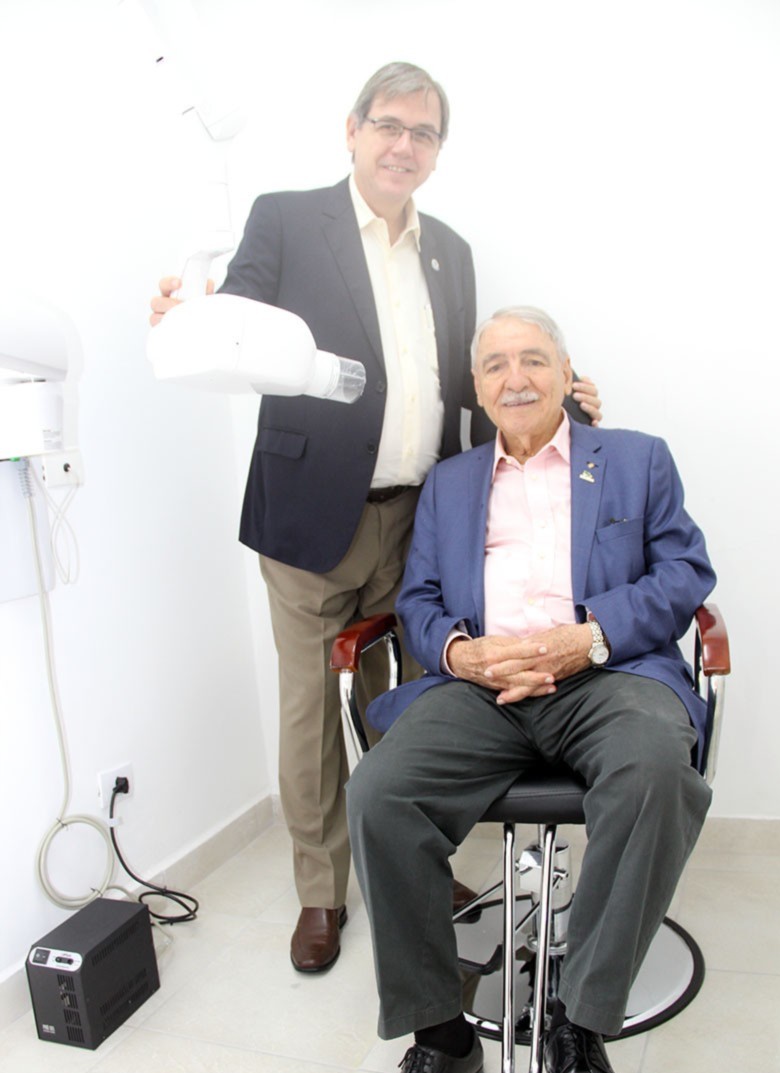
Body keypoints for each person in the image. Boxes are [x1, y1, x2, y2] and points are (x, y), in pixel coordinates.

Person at [150, 64, 602, 975]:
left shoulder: (451, 252)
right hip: (310, 516)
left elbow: (471, 390)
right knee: (312, 709)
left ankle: (411, 861)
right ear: (352, 131)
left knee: (411, 702)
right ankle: (321, 889)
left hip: (423, 517)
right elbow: (235, 318)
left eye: (423, 134)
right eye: (389, 126)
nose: (404, 145)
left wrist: (560, 418)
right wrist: (188, 316)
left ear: (437, 152)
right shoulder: (287, 219)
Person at [346, 306, 715, 1073]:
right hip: (484, 687)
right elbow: (419, 598)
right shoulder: (450, 483)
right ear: (478, 388)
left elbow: (685, 572)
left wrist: (587, 638)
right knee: (380, 794)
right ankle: (441, 1041)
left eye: (534, 360)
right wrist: (461, 654)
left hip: (607, 673)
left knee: (656, 771)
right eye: (496, 365)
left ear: (565, 372)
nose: (516, 378)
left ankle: (579, 1029)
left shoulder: (636, 458)